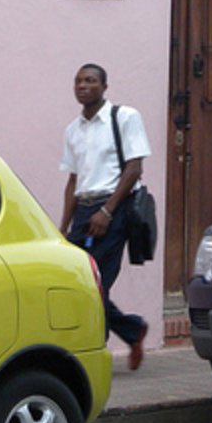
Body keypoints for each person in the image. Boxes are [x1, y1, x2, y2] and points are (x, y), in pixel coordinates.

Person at [59, 62, 150, 370]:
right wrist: (63, 227)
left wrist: (107, 212)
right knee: (75, 281)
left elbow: (134, 168)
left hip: (115, 209)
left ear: (104, 87)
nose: (82, 86)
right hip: (84, 210)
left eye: (90, 80)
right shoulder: (73, 130)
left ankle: (91, 355)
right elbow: (73, 180)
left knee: (96, 284)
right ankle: (132, 329)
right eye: (78, 81)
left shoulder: (124, 117)